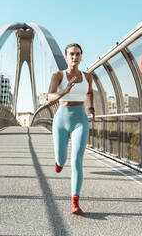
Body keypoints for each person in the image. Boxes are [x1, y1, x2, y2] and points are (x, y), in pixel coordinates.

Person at [47, 43, 95, 214]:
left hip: (80, 120)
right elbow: (49, 96)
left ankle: (75, 201)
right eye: (72, 54)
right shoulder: (58, 75)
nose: (75, 57)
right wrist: (65, 91)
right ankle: (58, 162)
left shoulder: (87, 76)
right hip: (61, 119)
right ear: (66, 57)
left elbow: (90, 92)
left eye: (78, 54)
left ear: (81, 56)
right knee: (62, 159)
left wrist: (91, 108)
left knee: (77, 159)